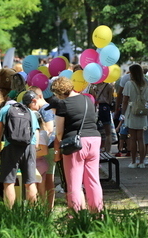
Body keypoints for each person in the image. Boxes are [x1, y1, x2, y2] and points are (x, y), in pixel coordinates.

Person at [51, 76, 103, 213]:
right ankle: (97, 212)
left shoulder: (63, 104)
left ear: (59, 93)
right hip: (94, 139)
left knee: (74, 182)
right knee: (93, 180)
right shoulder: (87, 99)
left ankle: (76, 215)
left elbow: (59, 132)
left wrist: (58, 145)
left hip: (75, 143)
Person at [0, 90, 40, 208]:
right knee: (30, 182)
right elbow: (36, 137)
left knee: (9, 182)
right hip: (29, 147)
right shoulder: (30, 112)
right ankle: (34, 214)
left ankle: (10, 214)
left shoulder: (5, 110)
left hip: (11, 147)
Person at [29, 86, 56, 210]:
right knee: (44, 181)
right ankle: (46, 208)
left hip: (47, 148)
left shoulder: (45, 109)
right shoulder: (46, 108)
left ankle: (48, 208)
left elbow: (49, 129)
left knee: (48, 180)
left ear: (39, 97)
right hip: (46, 148)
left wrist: (40, 143)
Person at [122, 64, 148, 168]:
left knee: (133, 138)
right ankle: (142, 161)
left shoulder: (129, 84)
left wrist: (123, 113)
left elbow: (125, 100)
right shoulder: (146, 82)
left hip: (132, 111)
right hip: (143, 111)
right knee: (141, 138)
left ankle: (133, 161)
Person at [94, 82, 114, 153]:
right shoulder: (108, 86)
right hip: (105, 107)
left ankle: (98, 149)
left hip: (96, 107)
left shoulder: (94, 86)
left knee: (95, 129)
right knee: (108, 131)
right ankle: (107, 151)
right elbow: (110, 99)